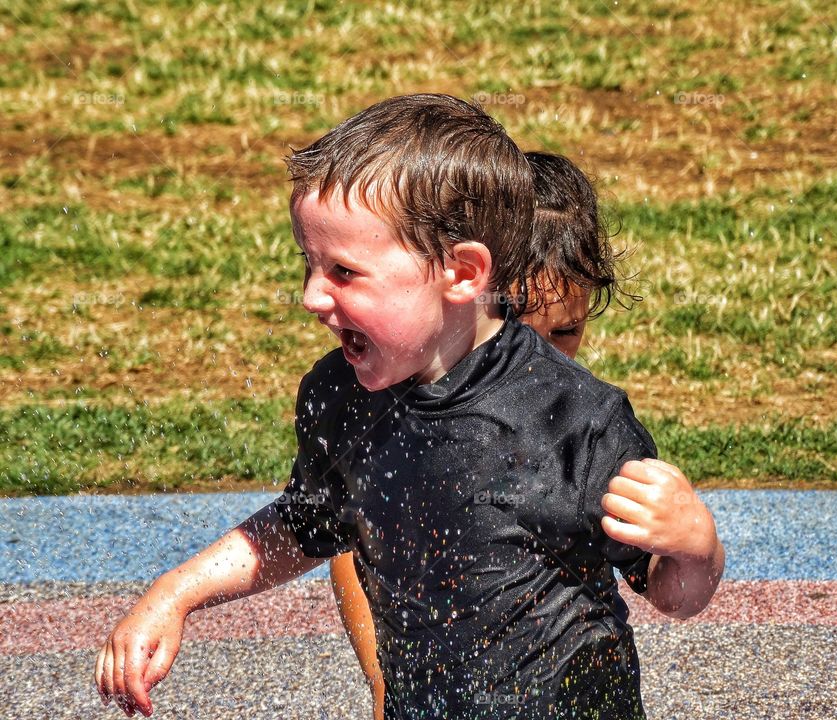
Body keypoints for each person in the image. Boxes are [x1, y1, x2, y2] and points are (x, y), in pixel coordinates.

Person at [95, 94, 724, 720]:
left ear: (462, 273)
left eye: (343, 271)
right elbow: (303, 528)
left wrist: (697, 548)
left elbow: (671, 593)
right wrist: (175, 593)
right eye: (308, 265)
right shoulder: (341, 395)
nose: (313, 295)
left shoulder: (572, 417)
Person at [329, 149, 646, 718]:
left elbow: (657, 573)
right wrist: (383, 684)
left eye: (567, 332)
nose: (541, 360)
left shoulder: (581, 418)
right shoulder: (409, 408)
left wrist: (693, 544)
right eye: (521, 332)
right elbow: (349, 544)